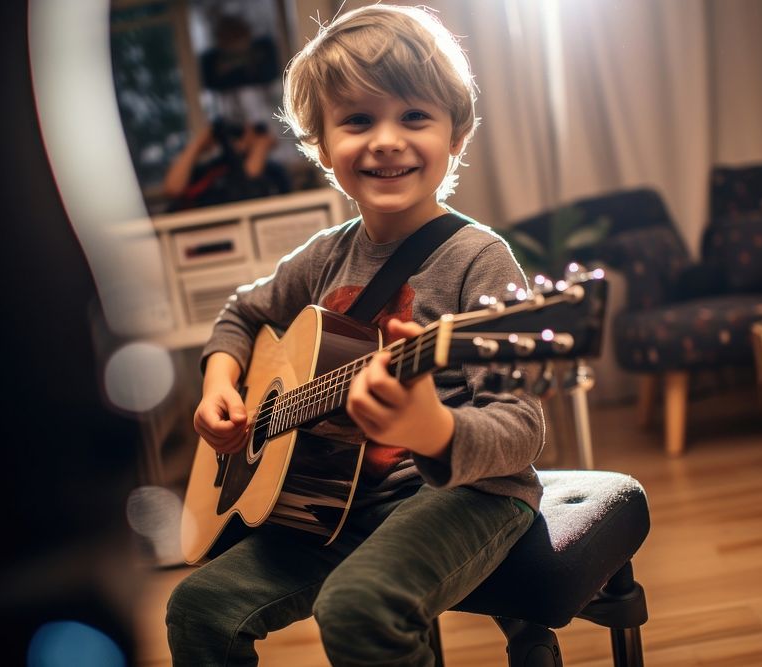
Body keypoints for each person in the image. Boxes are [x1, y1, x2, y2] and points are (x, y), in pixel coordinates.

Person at [165, 5, 545, 666]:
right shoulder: (323, 257)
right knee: (197, 608)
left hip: (466, 495)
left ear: (457, 134)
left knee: (356, 605)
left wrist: (435, 430)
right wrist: (221, 385)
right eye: (358, 120)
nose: (386, 140)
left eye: (415, 116)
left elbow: (523, 428)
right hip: (332, 507)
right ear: (321, 143)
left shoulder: (479, 261)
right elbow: (240, 314)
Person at [162, 118, 291, 212]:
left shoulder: (273, 172)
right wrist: (197, 145)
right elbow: (173, 188)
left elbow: (250, 188)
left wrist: (261, 147)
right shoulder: (214, 170)